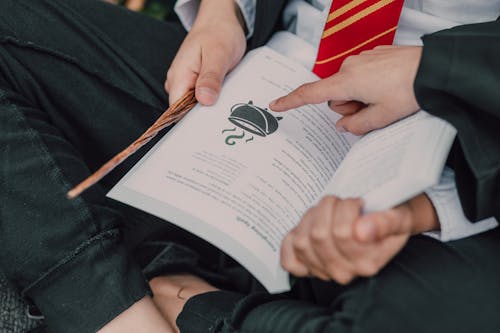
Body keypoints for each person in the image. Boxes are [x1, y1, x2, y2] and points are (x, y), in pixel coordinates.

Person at [0, 1, 499, 333]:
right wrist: (223, 14)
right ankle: (120, 313)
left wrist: (429, 71)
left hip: (458, 130)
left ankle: (190, 297)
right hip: (264, 69)